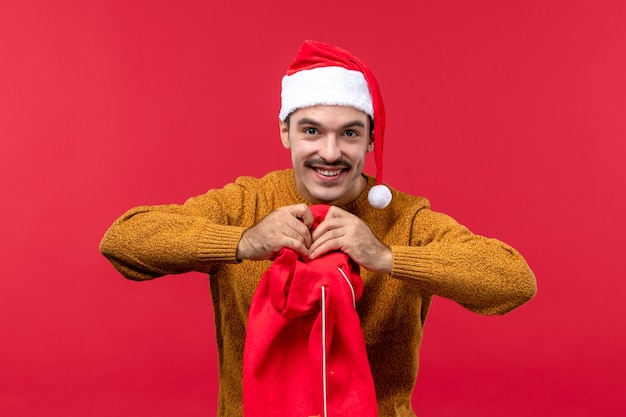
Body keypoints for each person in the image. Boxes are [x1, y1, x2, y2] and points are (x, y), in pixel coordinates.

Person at [100, 40, 537, 417]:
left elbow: (512, 281)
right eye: (312, 130)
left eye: (349, 134)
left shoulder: (406, 218)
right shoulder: (246, 203)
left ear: (370, 140)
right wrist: (244, 241)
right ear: (285, 133)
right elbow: (124, 240)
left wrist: (386, 256)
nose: (330, 153)